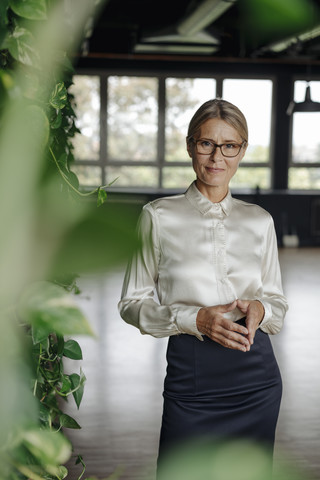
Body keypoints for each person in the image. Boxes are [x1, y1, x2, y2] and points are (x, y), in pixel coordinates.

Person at [118, 98, 288, 477]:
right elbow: (131, 303)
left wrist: (262, 309)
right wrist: (195, 318)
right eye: (206, 143)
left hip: (256, 378)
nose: (216, 157)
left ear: (242, 150)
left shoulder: (260, 221)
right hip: (191, 377)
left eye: (229, 146)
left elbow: (276, 302)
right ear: (190, 145)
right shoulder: (157, 216)